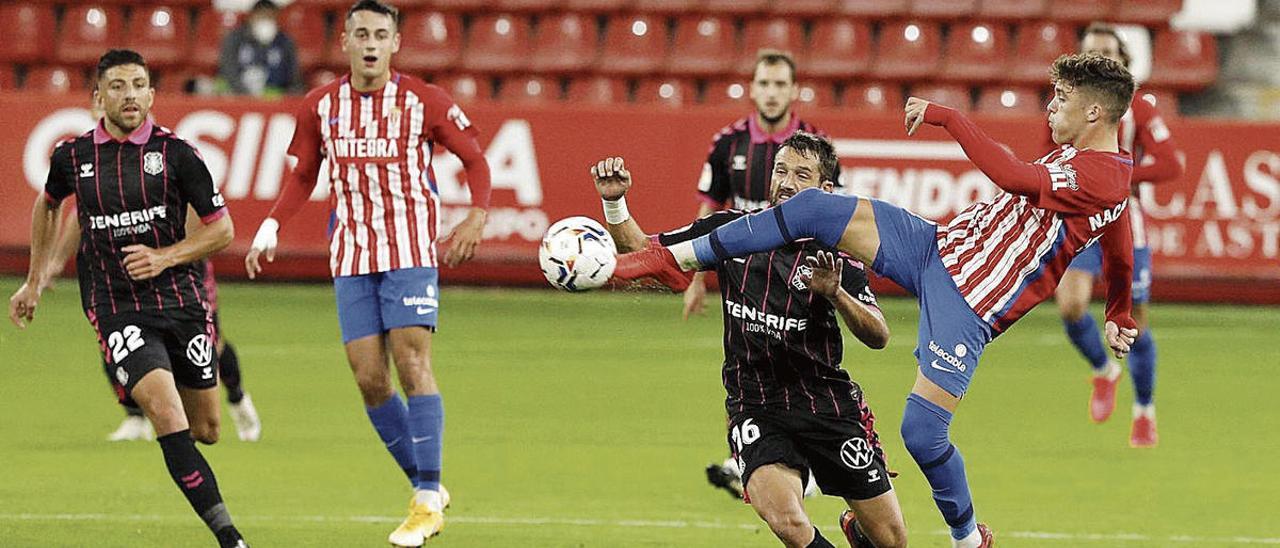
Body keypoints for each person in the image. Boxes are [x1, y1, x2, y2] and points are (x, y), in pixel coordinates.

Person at [631, 53, 1145, 548]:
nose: (1051, 106)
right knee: (814, 207)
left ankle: (968, 539)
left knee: (922, 434)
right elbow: (1118, 233)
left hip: (968, 305)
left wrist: (948, 117)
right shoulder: (1101, 167)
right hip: (935, 247)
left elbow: (1015, 178)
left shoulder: (1099, 174)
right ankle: (670, 255)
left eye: (1061, 97)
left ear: (1095, 111)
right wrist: (1119, 308)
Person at [243, 1, 489, 545]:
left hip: (408, 250)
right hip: (351, 253)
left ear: (396, 43)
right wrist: (271, 225)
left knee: (411, 360)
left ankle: (426, 498)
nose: (371, 43)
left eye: (381, 33)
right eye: (361, 34)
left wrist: (477, 213)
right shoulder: (319, 106)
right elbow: (305, 173)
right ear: (347, 42)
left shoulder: (425, 101)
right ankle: (427, 486)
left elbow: (475, 159)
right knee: (369, 379)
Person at [602, 133, 907, 548]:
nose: (786, 181)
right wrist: (615, 202)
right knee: (789, 522)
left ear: (825, 191)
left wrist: (835, 293)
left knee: (891, 541)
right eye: (781, 170)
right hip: (756, 405)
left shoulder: (837, 252)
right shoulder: (730, 232)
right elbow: (644, 250)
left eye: (802, 175)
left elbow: (879, 334)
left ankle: (856, 529)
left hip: (826, 404)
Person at [8, 49, 248, 548]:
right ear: (98, 97)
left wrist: (166, 257)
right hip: (116, 305)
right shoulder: (72, 156)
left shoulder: (179, 154)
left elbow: (221, 230)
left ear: (152, 94)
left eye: (139, 85)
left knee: (205, 429)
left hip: (180, 301)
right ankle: (230, 538)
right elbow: (48, 205)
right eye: (117, 86)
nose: (130, 95)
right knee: (164, 411)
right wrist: (35, 279)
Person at [691, 50, 839, 499]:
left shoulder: (816, 145)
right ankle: (751, 459)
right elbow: (711, 209)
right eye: (764, 83)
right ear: (752, 88)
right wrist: (696, 278)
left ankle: (802, 465)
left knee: (803, 368)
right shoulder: (727, 144)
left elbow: (833, 214)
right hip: (748, 275)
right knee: (744, 362)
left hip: (798, 277)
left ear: (794, 91)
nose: (772, 92)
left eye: (780, 85)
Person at [1056, 23, 1184, 447]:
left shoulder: (1141, 109)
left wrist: (1124, 175)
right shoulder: (1067, 105)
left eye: (1108, 52)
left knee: (1135, 327)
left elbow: (1170, 165)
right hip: (1082, 221)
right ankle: (1103, 369)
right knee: (1072, 306)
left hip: (1126, 223)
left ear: (1123, 60)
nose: (1101, 58)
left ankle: (1144, 411)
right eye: (1093, 52)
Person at [44, 200, 264, 442]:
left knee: (209, 346)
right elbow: (82, 211)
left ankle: (237, 399)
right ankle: (135, 417)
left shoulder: (175, 165)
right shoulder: (106, 170)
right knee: (117, 342)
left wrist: (166, 255)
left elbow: (202, 219)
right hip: (127, 272)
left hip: (180, 270)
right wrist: (55, 262)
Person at [217, 0, 303, 98]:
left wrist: (287, 96)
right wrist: (247, 96)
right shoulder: (235, 38)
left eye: (270, 17)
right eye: (262, 17)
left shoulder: (285, 42)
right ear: (251, 17)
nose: (266, 21)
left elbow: (294, 78)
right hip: (238, 98)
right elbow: (228, 71)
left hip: (275, 102)